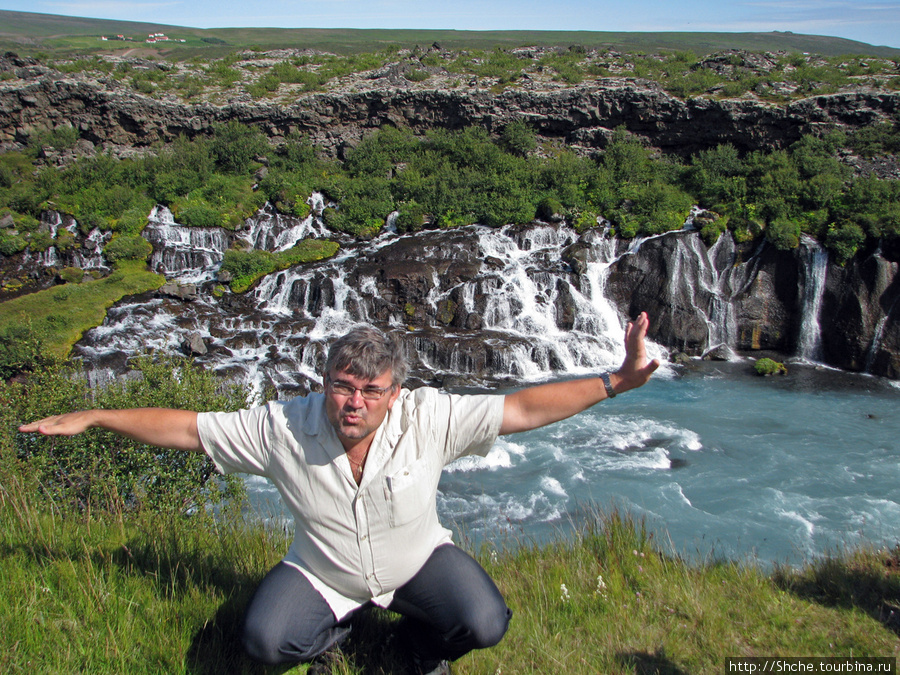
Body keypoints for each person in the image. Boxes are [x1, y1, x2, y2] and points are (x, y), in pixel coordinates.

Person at [19, 312, 659, 674]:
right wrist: (98, 417)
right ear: (324, 382)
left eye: (370, 390)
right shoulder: (280, 427)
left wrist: (615, 382)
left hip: (415, 562)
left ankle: (410, 649)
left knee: (486, 621)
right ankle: (338, 631)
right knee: (264, 642)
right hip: (322, 572)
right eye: (341, 385)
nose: (353, 403)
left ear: (394, 393)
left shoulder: (430, 416)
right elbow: (188, 427)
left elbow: (521, 409)